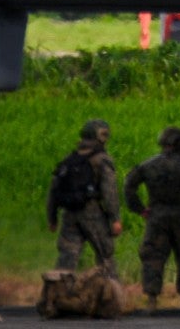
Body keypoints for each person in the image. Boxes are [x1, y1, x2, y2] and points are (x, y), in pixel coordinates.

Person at [127, 125, 180, 313]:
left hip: (157, 217)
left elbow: (129, 185)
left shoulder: (149, 165)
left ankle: (151, 299)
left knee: (153, 258)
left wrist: (139, 209)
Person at [47, 117, 123, 282]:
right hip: (92, 212)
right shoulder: (102, 160)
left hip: (69, 214)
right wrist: (115, 218)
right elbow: (110, 192)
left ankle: (58, 293)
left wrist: (52, 217)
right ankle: (113, 294)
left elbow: (54, 190)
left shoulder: (69, 160)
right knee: (105, 255)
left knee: (67, 256)